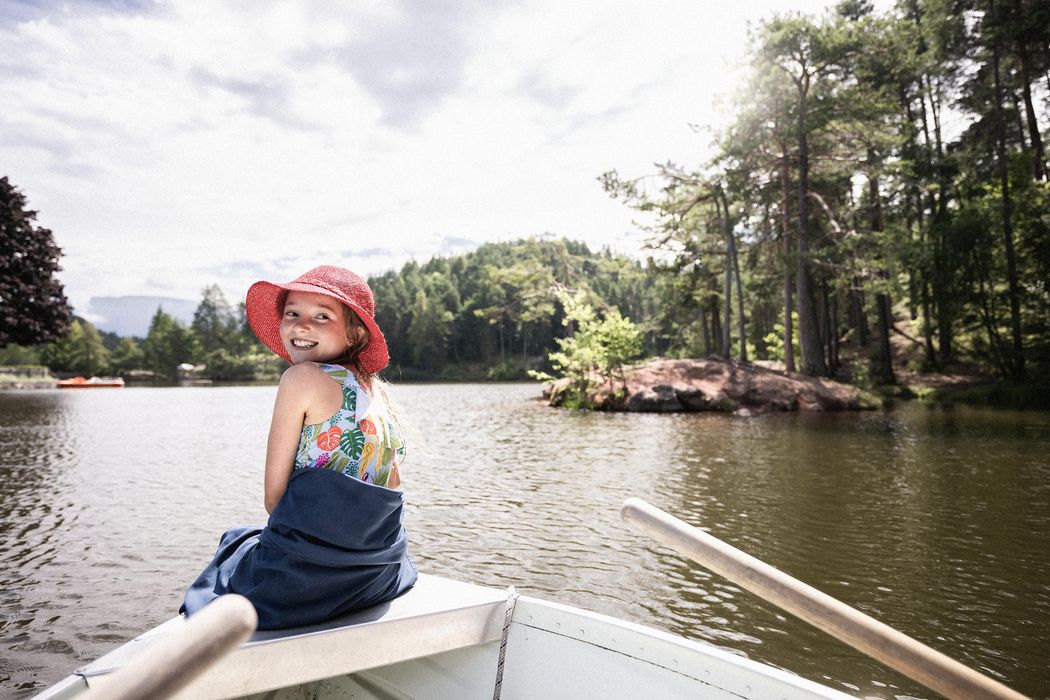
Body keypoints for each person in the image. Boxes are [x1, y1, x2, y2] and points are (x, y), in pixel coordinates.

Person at [181, 265, 417, 629]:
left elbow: (274, 500)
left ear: (355, 332)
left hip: (311, 582)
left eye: (322, 316)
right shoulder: (376, 390)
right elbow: (391, 485)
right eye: (292, 313)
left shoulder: (300, 378)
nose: (302, 325)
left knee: (233, 549)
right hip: (378, 575)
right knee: (244, 541)